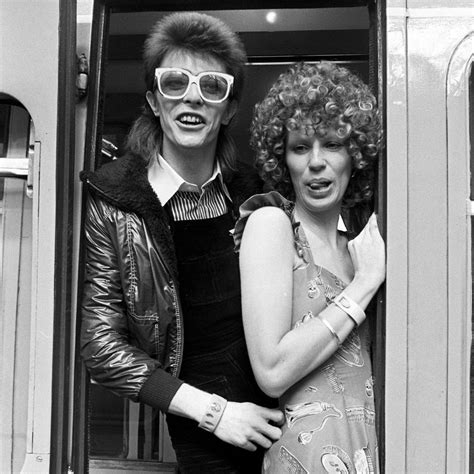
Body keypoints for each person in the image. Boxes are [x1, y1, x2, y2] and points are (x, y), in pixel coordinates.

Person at [80, 11, 282, 473]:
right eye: (175, 83)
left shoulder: (258, 193)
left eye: (211, 86)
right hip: (200, 432)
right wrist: (216, 414)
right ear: (154, 99)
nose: (192, 97)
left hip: (286, 411)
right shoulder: (114, 199)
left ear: (229, 108)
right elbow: (101, 347)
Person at [234, 61, 385, 473]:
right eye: (300, 147)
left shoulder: (360, 244)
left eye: (332, 144)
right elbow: (272, 370)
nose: (315, 162)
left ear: (355, 155)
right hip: (301, 460)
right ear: (283, 158)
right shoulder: (272, 225)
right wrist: (365, 284)